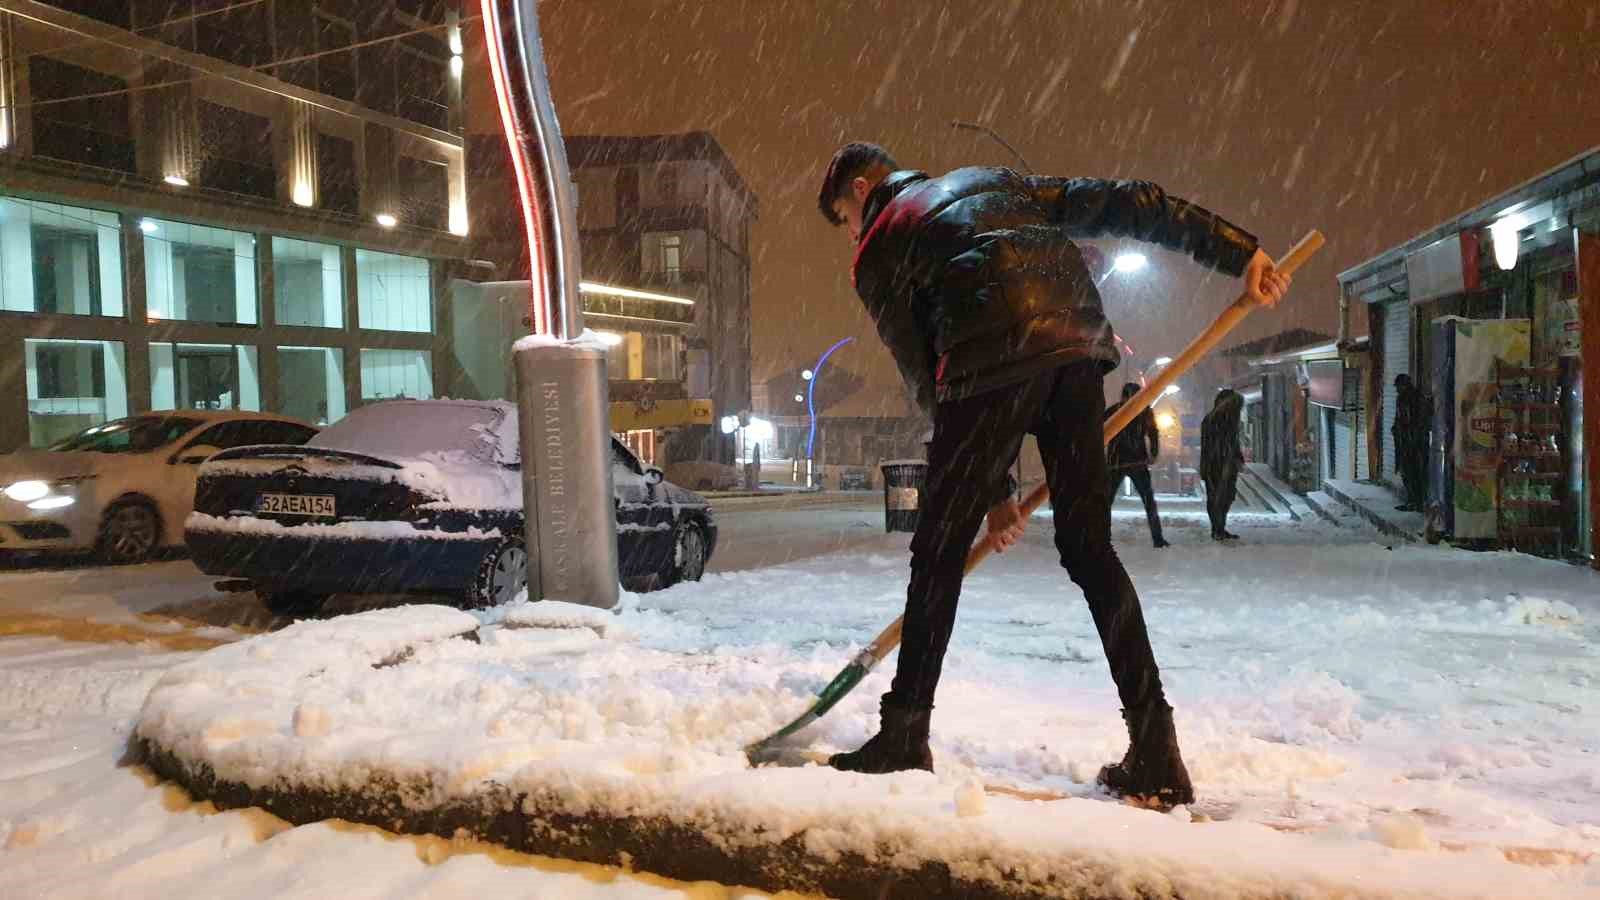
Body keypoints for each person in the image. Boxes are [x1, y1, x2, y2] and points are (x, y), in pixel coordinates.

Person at [816, 142, 1290, 807]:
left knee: (938, 552)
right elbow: (1127, 201)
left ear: (864, 190)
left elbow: (928, 375)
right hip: (1076, 348)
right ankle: (1156, 748)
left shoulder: (883, 245)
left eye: (846, 218)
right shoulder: (993, 179)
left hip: (985, 363)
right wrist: (1237, 252)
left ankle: (903, 734)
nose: (853, 237)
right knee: (1090, 550)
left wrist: (990, 495)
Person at [1105, 382, 1170, 548]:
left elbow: (1100, 431)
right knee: (1148, 501)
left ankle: (1101, 536)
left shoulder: (1115, 411)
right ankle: (1157, 538)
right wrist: (1153, 453)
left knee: (1105, 502)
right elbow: (1153, 433)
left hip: (1116, 461)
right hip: (1136, 462)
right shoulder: (1144, 411)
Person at [1200, 389, 1245, 541]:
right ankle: (1217, 529)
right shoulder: (1214, 420)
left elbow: (1232, 443)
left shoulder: (1228, 420)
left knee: (1226, 496)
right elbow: (1213, 445)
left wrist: (1236, 458)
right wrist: (1225, 460)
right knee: (1216, 497)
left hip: (1225, 464)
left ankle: (1219, 528)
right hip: (1215, 465)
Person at [1392, 374, 1430, 512]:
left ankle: (1417, 502)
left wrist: (1414, 437)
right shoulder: (1401, 399)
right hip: (1404, 440)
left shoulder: (1416, 398)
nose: (1397, 389)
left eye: (1399, 386)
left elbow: (1419, 421)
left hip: (1414, 442)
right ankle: (1411, 500)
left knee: (1414, 473)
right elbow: (1399, 419)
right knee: (1406, 472)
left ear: (1405, 385)